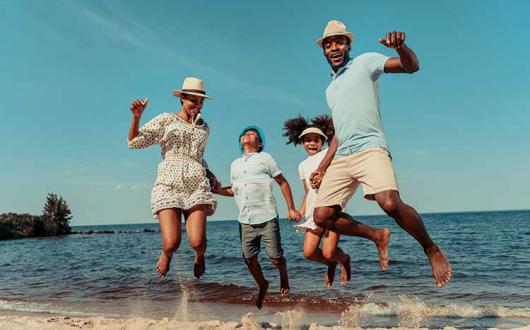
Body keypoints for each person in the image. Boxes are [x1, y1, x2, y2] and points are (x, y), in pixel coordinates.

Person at [310, 20, 452, 287]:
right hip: (343, 156)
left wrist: (402, 48)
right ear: (324, 51)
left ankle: (431, 248)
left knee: (388, 202)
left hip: (370, 147)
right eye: (328, 44)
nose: (334, 47)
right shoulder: (330, 89)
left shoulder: (366, 63)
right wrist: (324, 166)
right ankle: (376, 235)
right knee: (322, 216)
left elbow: (411, 66)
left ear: (348, 45)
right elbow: (339, 132)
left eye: (339, 42)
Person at [128, 77, 220, 279]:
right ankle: (166, 254)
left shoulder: (205, 127)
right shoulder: (166, 119)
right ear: (182, 98)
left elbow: (198, 157)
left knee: (198, 242)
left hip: (196, 183)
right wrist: (137, 117)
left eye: (200, 102)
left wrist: (210, 173)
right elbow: (134, 142)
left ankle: (199, 255)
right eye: (193, 100)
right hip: (169, 182)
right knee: (172, 243)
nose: (197, 105)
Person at [283, 115, 390, 287]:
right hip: (312, 212)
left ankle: (344, 259)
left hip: (331, 208)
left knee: (328, 252)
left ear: (324, 141)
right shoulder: (302, 166)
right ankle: (331, 263)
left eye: (316, 140)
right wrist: (300, 211)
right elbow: (307, 192)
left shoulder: (328, 154)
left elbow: (340, 146)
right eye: (308, 140)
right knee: (309, 253)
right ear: (301, 143)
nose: (312, 143)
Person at [214, 126, 301, 309]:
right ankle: (263, 284)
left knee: (275, 259)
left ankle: (283, 278)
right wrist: (217, 191)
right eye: (244, 134)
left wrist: (291, 208)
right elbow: (234, 190)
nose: (247, 135)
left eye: (252, 134)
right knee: (249, 259)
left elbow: (282, 182)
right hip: (245, 219)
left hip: (267, 215)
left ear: (259, 143)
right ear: (240, 142)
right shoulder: (235, 164)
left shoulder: (265, 158)